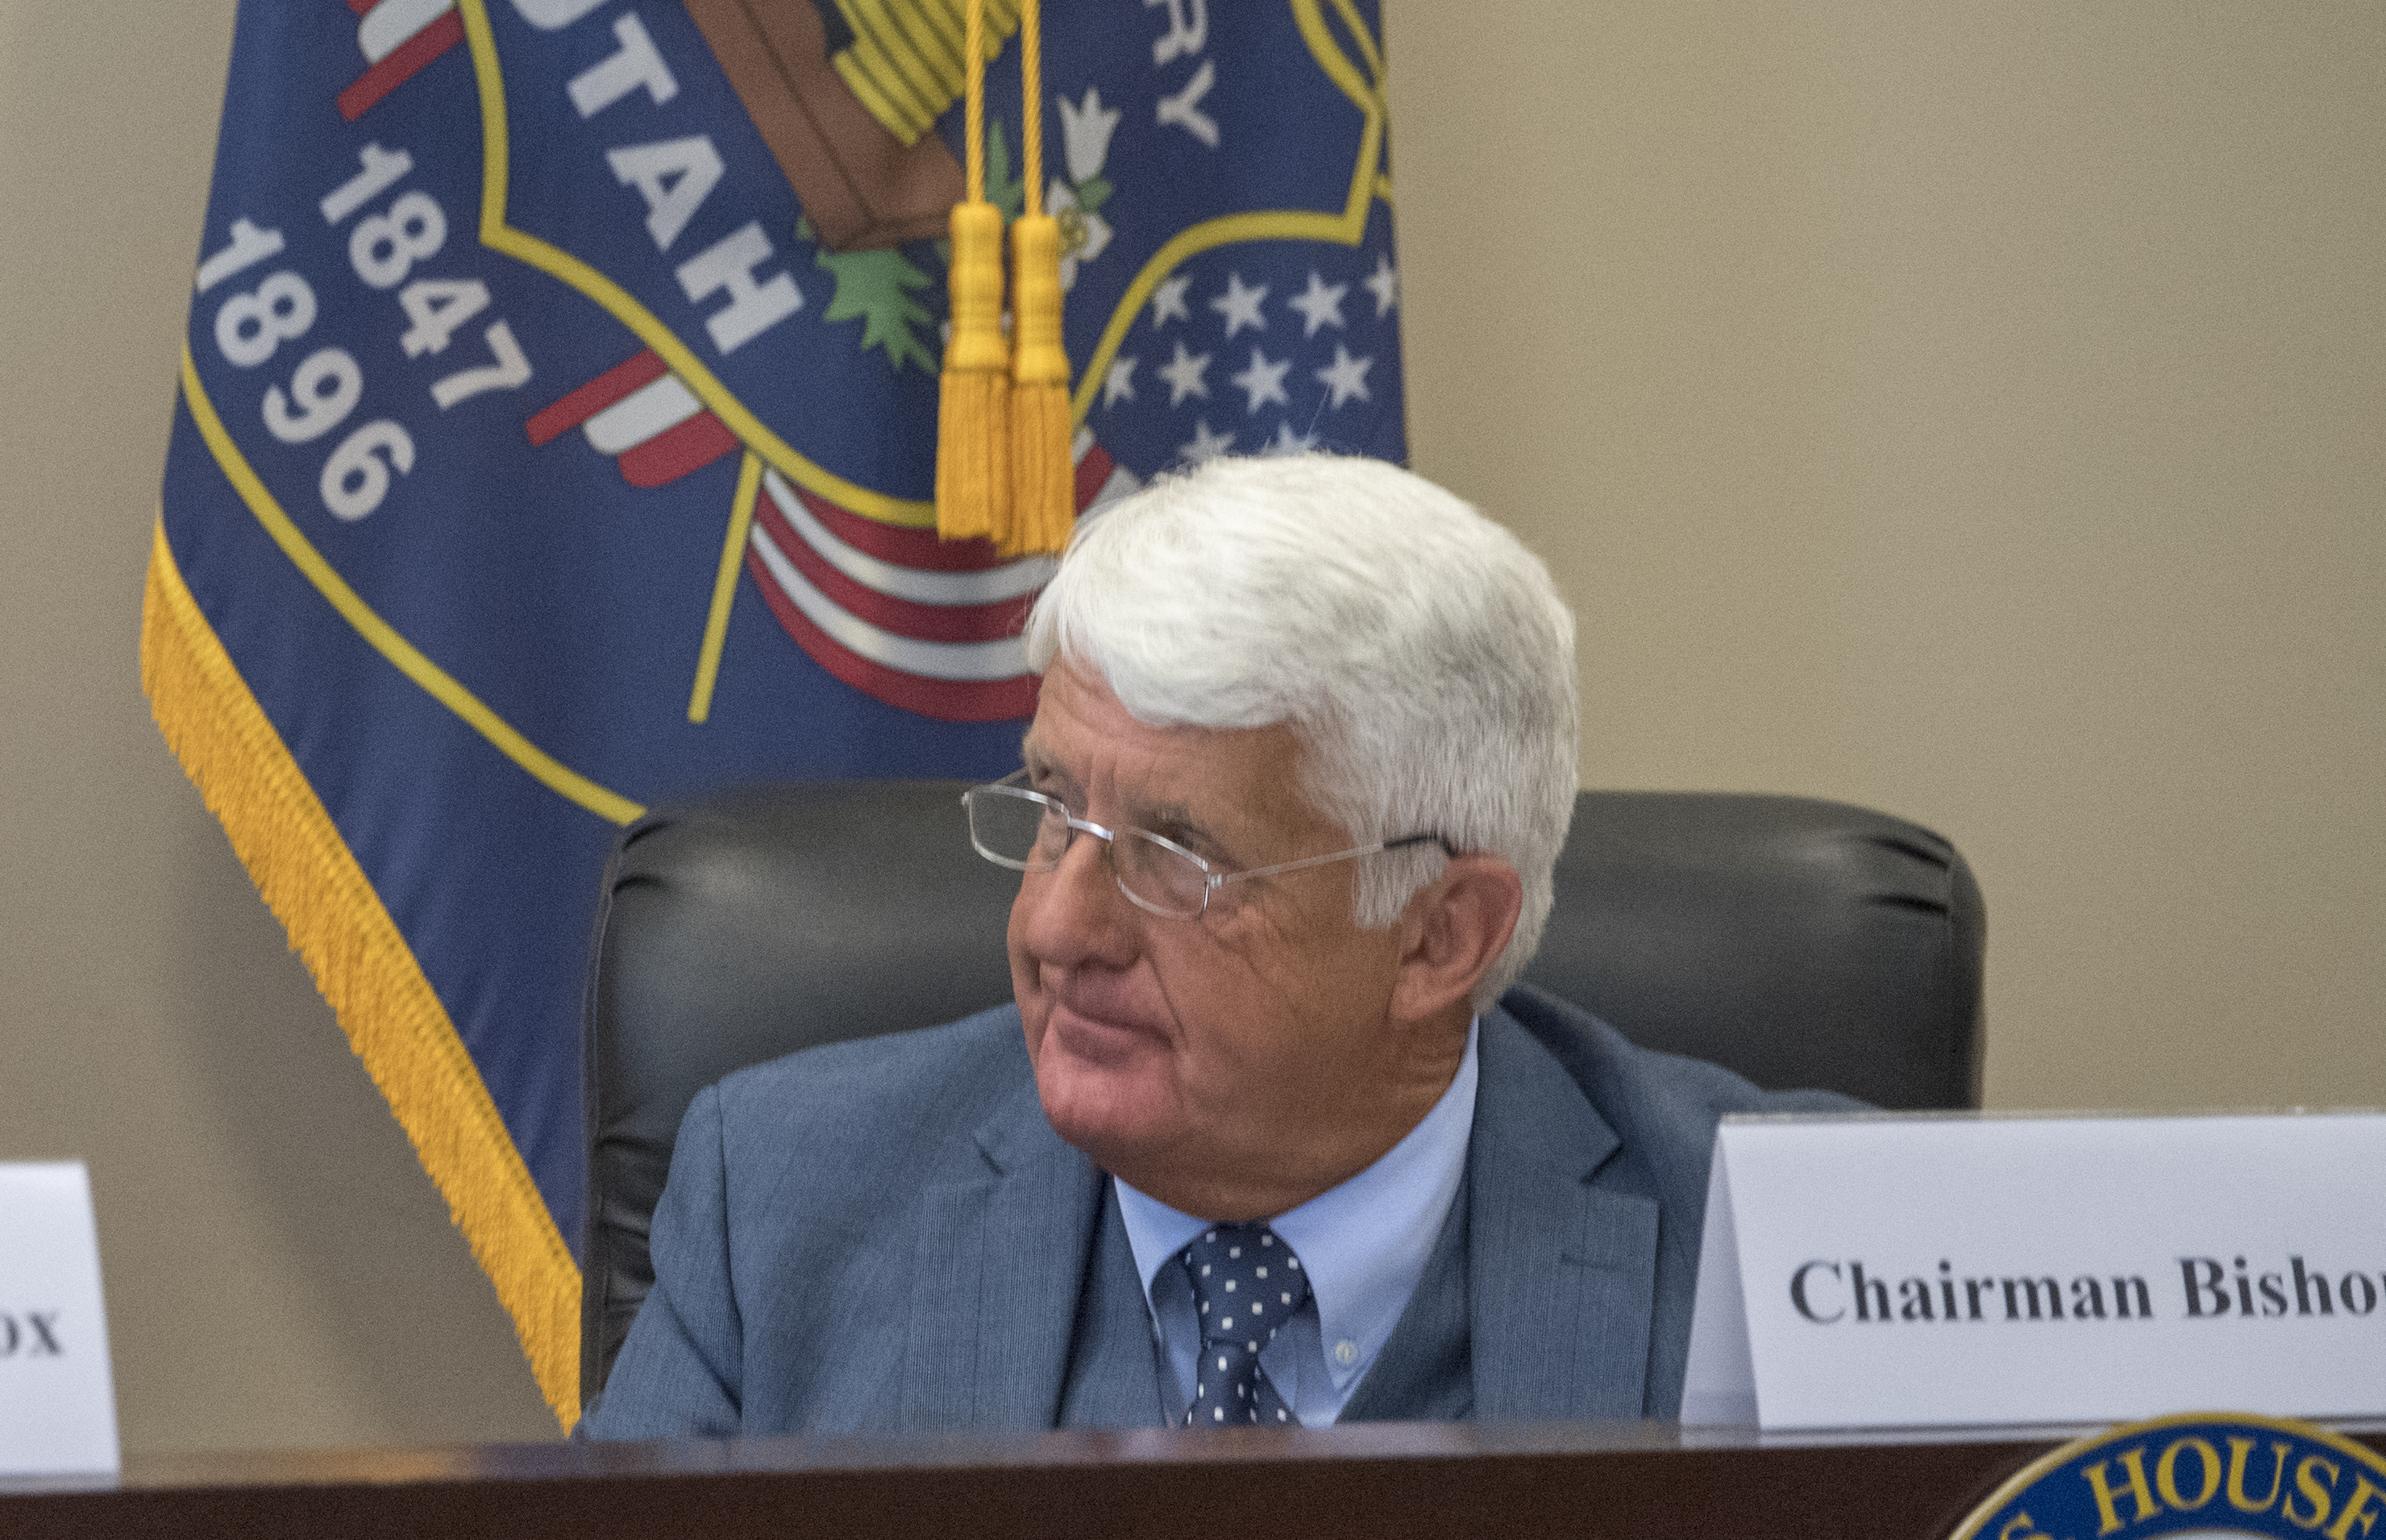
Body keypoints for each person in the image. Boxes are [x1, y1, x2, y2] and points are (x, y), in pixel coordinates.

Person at [583, 452, 1848, 1441]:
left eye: (1177, 857)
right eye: (1052, 814)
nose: (1057, 926)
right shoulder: (784, 1202)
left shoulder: (1800, 1260)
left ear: (1438, 937)